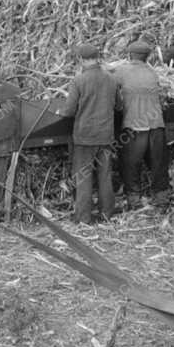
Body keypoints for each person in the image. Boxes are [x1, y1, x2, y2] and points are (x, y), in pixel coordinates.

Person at [57, 43, 119, 224]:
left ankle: (83, 218)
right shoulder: (111, 79)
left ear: (82, 60)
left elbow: (69, 111)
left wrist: (60, 112)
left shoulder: (78, 81)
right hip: (105, 135)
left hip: (85, 137)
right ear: (98, 58)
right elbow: (119, 106)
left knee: (83, 177)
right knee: (105, 175)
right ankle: (107, 214)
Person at [114, 39, 171, 209]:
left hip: (134, 126)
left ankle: (134, 201)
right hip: (156, 125)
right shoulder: (153, 73)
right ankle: (161, 199)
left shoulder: (121, 72)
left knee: (130, 165)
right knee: (158, 165)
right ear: (147, 57)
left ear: (130, 55)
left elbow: (110, 87)